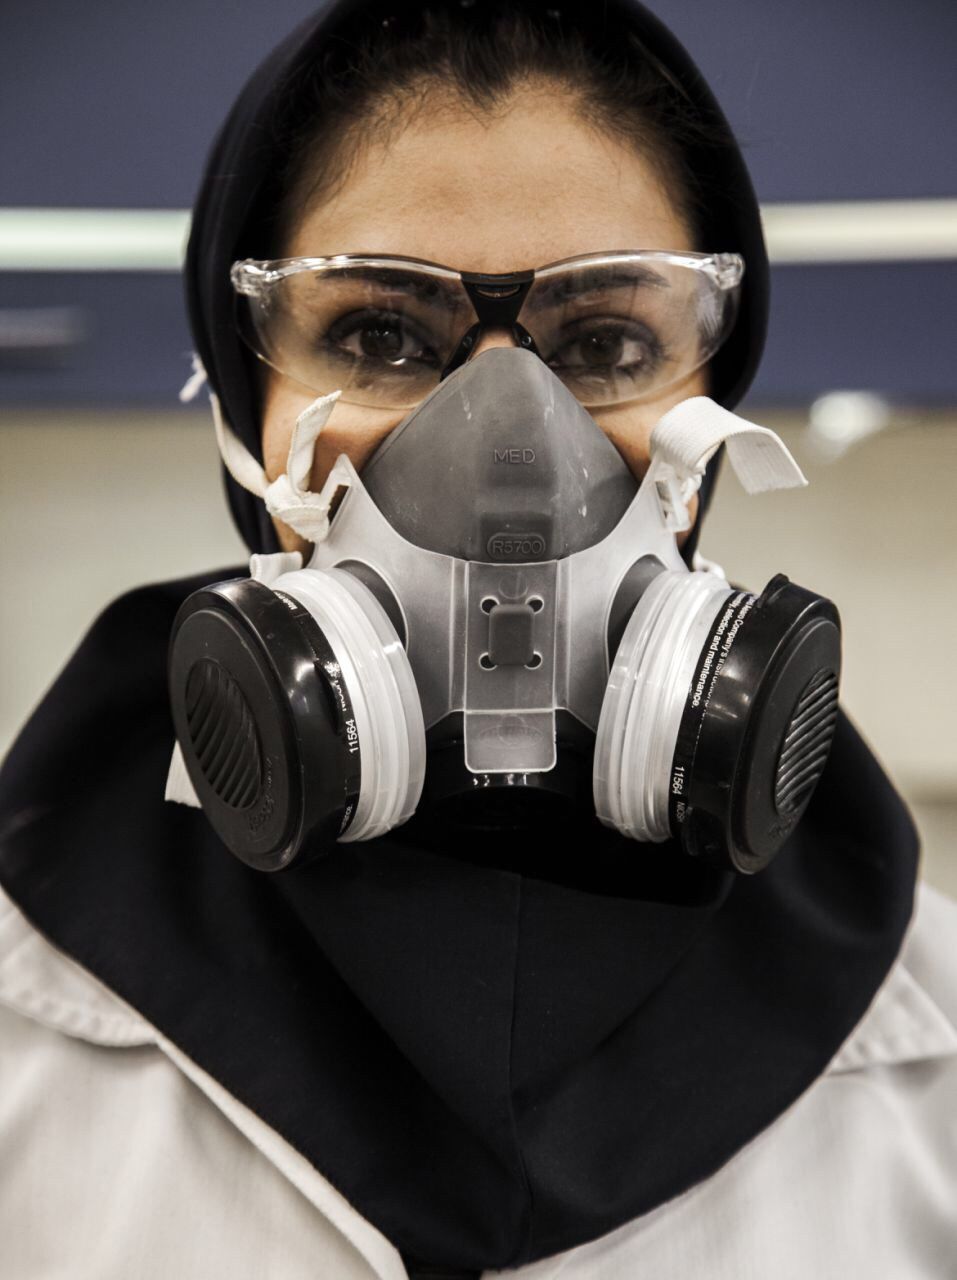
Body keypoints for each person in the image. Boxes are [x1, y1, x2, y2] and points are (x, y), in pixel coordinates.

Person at [0, 2, 954, 1277]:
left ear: (713, 406)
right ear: (243, 394)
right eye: (379, 335)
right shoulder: (23, 1016)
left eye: (607, 341)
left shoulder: (929, 1045)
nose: (513, 446)